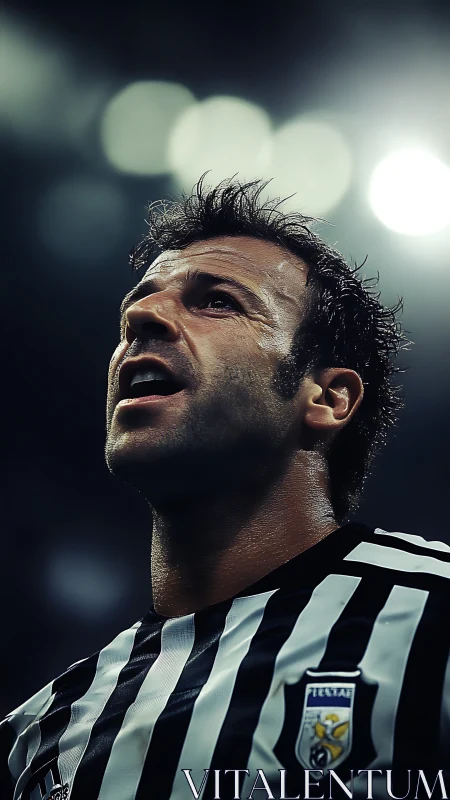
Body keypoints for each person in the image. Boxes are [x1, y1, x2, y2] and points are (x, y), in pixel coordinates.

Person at [2, 178, 449, 800]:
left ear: (326, 397)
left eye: (217, 302)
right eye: (138, 304)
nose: (140, 318)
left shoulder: (433, 617)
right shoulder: (41, 729)